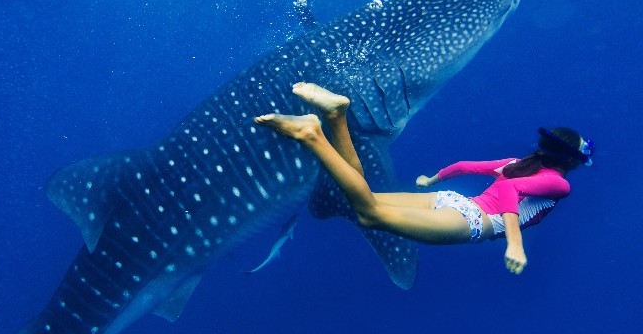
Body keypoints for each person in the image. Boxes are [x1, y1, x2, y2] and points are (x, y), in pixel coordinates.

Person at [254, 83, 594, 275]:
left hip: (453, 201)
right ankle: (312, 134)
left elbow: (466, 165)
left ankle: (335, 117)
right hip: (472, 221)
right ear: (571, 160)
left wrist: (432, 180)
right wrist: (515, 244)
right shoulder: (559, 184)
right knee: (367, 213)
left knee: (359, 196)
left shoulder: (521, 162)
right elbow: (508, 189)